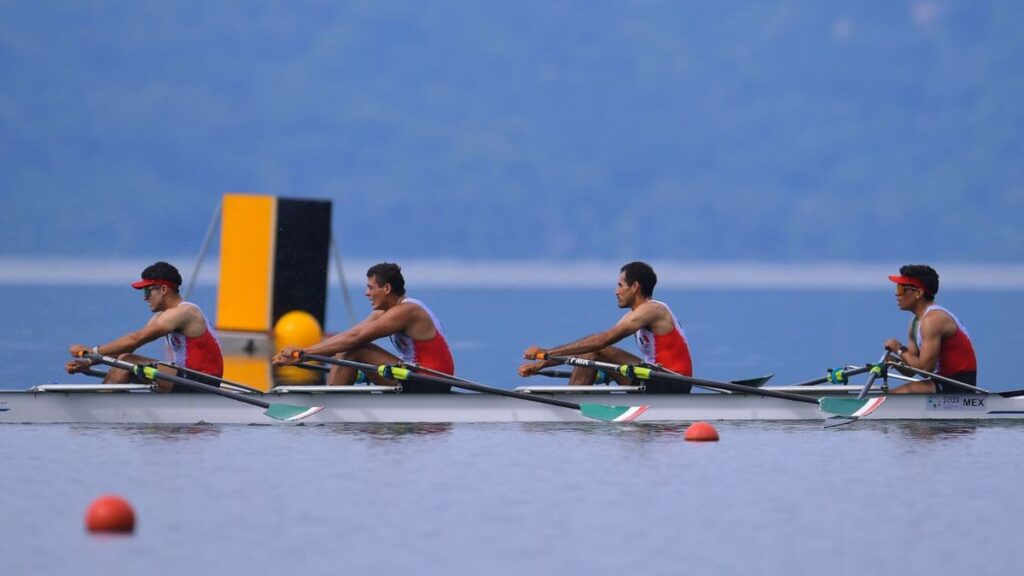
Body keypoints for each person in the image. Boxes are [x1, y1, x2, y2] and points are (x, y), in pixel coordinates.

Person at [272, 262, 455, 393]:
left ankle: (328, 404)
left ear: (387, 288)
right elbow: (348, 335)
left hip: (431, 381)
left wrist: (304, 353)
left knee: (355, 349)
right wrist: (305, 355)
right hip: (411, 375)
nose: (366, 293)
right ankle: (331, 399)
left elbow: (356, 339)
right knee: (345, 348)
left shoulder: (408, 311)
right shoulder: (387, 310)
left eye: (370, 288)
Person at [517, 261, 694, 393]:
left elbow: (602, 342)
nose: (616, 292)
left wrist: (548, 352)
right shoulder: (633, 316)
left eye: (620, 285)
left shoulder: (653, 310)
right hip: (654, 378)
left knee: (599, 350)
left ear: (634, 287)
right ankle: (574, 400)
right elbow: (589, 347)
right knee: (593, 351)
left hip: (673, 382)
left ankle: (570, 406)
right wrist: (541, 365)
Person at [65, 261, 224, 391]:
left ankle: (100, 407)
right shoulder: (163, 316)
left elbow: (135, 339)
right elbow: (127, 348)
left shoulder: (184, 312)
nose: (145, 298)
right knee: (126, 359)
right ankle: (108, 403)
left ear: (163, 289)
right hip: (185, 377)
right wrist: (88, 362)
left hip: (203, 381)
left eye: (148, 291)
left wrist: (91, 351)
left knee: (126, 360)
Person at [883, 264, 977, 393]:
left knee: (897, 395)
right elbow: (912, 370)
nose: (896, 294)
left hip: (959, 385)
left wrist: (899, 349)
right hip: (941, 380)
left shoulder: (933, 319)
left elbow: (925, 370)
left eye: (901, 289)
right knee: (891, 395)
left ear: (919, 293)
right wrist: (895, 362)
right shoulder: (915, 322)